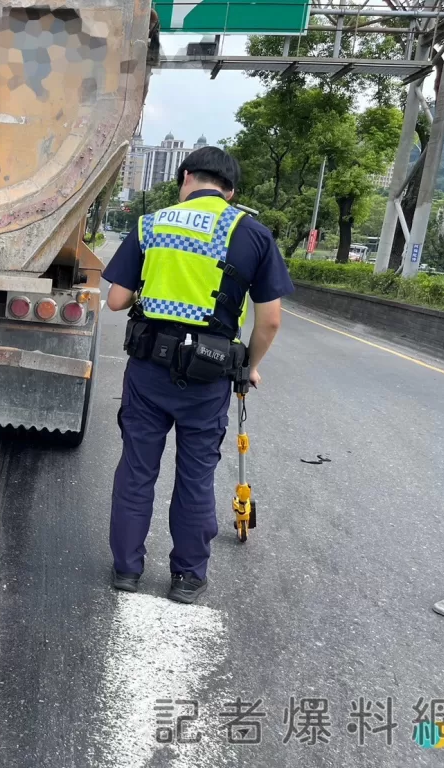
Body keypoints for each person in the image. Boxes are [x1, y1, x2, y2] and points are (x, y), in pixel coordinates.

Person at [103, 145, 293, 604]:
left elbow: (115, 300)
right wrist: (249, 368)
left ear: (186, 176)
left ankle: (127, 569)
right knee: (195, 476)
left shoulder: (151, 225)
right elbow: (268, 320)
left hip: (148, 370)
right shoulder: (252, 234)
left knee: (137, 470)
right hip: (208, 377)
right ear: (231, 190)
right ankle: (187, 577)